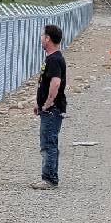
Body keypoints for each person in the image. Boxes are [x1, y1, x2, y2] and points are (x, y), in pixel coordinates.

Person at [31, 24, 67, 189]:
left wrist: (47, 104)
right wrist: (39, 103)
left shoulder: (54, 59)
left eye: (42, 36)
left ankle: (49, 179)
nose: (41, 39)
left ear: (48, 39)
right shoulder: (51, 58)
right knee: (49, 142)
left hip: (52, 110)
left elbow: (55, 83)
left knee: (48, 144)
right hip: (49, 108)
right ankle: (50, 176)